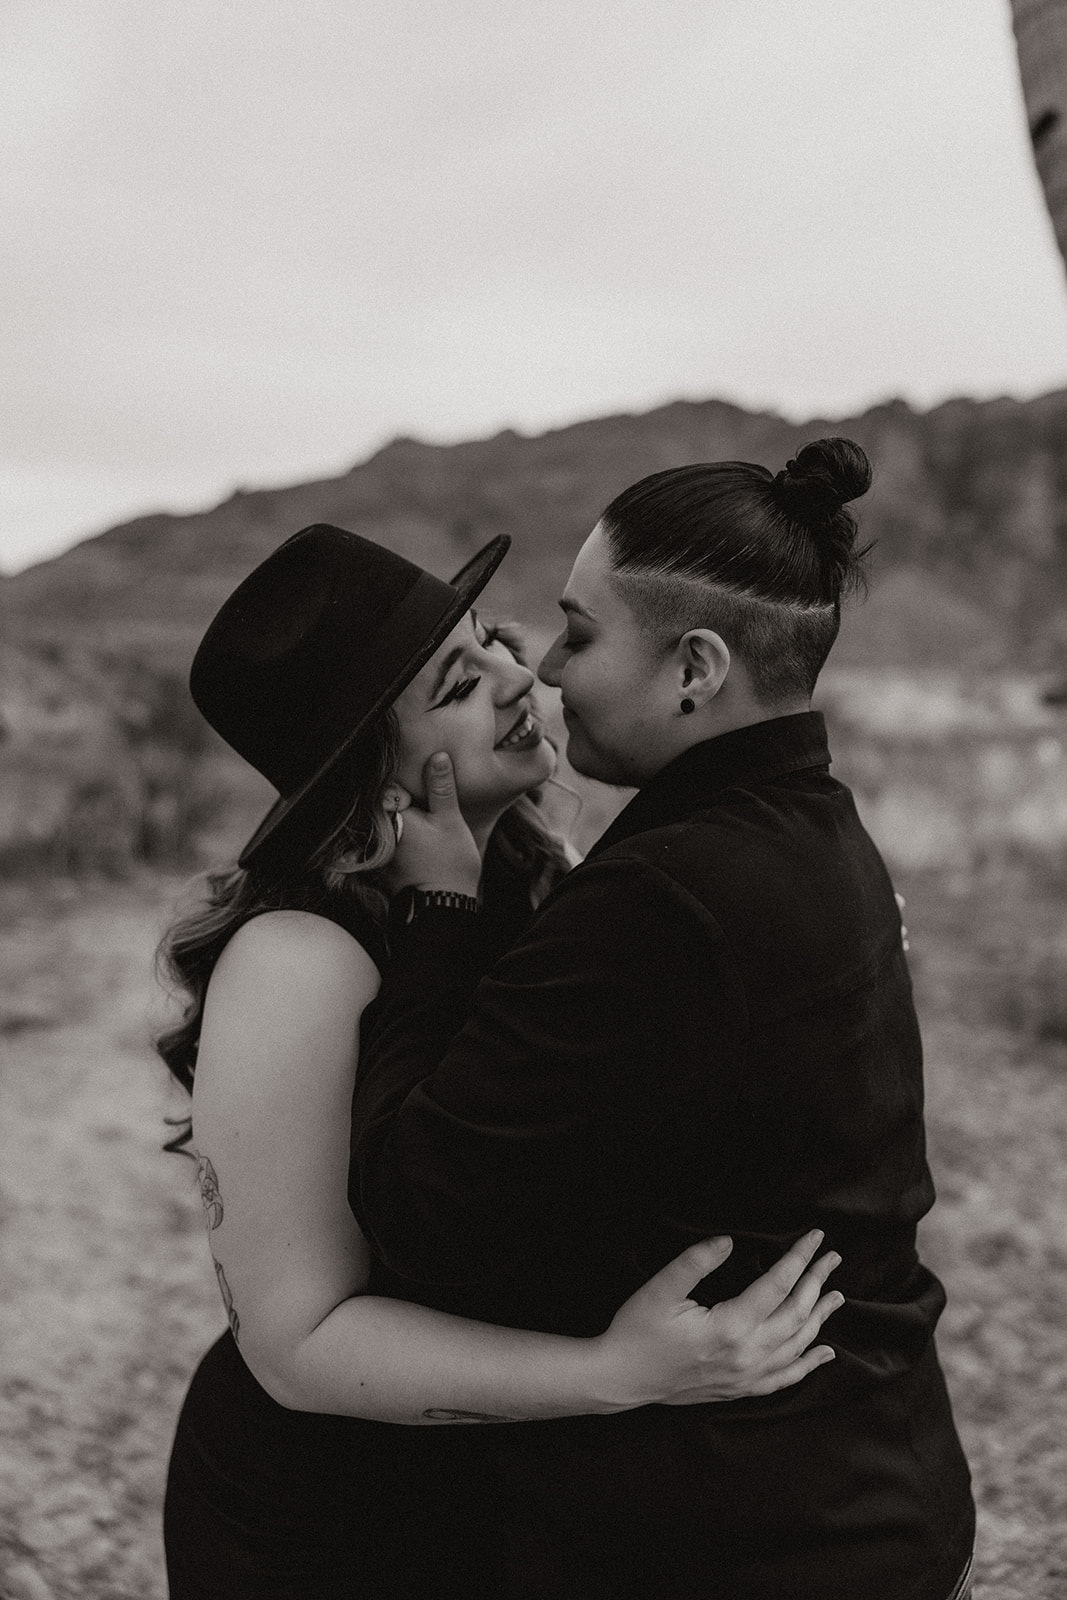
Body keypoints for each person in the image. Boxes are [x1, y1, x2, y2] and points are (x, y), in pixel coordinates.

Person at [159, 523, 843, 1600]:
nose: (519, 675)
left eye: (490, 640)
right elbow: (293, 1346)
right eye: (454, 682)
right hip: (331, 1515)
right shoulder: (298, 957)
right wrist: (610, 1376)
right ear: (369, 771)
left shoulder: (546, 878)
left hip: (518, 1489)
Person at [347, 439, 977, 1600]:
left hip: (742, 1539)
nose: (544, 665)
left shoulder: (664, 898)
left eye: (579, 634)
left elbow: (415, 1210)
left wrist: (437, 912)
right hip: (871, 1483)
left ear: (694, 667)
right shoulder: (816, 834)